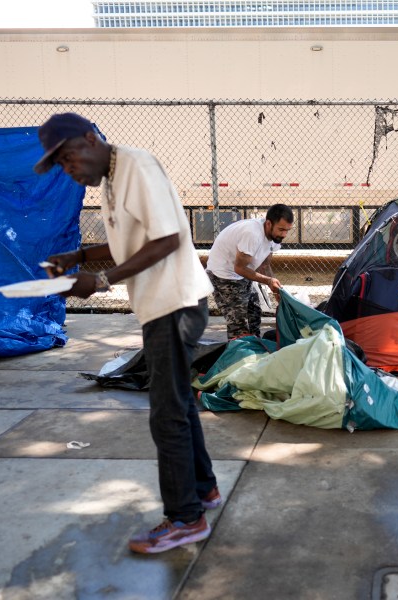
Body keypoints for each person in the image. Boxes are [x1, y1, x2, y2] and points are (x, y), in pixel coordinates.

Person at [33, 112, 221, 554]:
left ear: (90, 138)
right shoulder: (112, 180)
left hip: (175, 303)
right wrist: (79, 254)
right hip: (163, 305)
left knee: (166, 413)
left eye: (68, 157)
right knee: (177, 404)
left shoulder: (136, 166)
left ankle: (185, 519)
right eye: (60, 165)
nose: (68, 168)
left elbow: (169, 239)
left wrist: (100, 281)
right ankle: (204, 490)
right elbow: (130, 244)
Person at [206, 204, 294, 339]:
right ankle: (240, 355)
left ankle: (255, 349)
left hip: (241, 273)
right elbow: (239, 268)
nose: (284, 234)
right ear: (269, 223)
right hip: (223, 275)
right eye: (281, 229)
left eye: (287, 230)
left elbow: (263, 265)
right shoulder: (252, 234)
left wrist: (275, 288)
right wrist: (268, 281)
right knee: (239, 323)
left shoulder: (275, 237)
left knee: (254, 313)